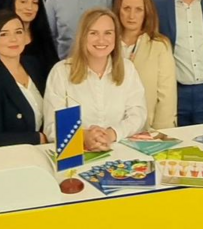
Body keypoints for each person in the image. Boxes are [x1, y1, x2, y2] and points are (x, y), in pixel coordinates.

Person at [43, 8, 146, 148]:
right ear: (82, 36)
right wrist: (83, 137)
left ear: (116, 37)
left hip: (119, 149)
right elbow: (52, 126)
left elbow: (138, 114)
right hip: (77, 152)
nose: (101, 40)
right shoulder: (61, 72)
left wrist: (111, 134)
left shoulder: (128, 69)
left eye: (108, 33)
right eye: (93, 33)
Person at [0, 11, 48, 147]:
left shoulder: (34, 65)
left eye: (18, 32)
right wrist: (39, 138)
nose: (13, 39)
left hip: (46, 150)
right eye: (4, 34)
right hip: (15, 154)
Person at [114, 0, 176, 129]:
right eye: (126, 8)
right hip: (112, 129)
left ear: (146, 12)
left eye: (138, 10)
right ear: (118, 10)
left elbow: (167, 96)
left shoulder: (160, 45)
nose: (131, 16)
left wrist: (160, 133)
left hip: (148, 129)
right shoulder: (107, 43)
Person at [12, 0, 58, 79]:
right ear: (13, 3)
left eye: (35, 2)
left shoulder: (44, 38)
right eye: (23, 2)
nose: (29, 7)